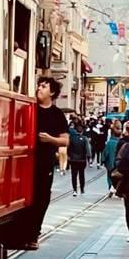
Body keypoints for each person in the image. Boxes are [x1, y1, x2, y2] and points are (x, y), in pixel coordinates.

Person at [25, 76, 69, 249]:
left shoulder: (57, 114)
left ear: (52, 92)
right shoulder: (30, 107)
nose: (39, 88)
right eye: (38, 85)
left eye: (43, 86)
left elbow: (65, 141)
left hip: (44, 162)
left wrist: (50, 139)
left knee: (42, 198)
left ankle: (34, 233)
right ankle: (24, 232)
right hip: (26, 160)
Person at [67, 117, 89, 196]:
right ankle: (82, 189)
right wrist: (88, 158)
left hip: (73, 159)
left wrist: (69, 156)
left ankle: (74, 190)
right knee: (81, 175)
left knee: (74, 175)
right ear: (82, 131)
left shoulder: (71, 138)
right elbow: (87, 149)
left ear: (75, 131)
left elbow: (68, 148)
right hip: (82, 160)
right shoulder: (84, 139)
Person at [102, 117, 123, 195]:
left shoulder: (110, 142)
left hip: (110, 164)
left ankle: (111, 186)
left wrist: (102, 160)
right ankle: (116, 188)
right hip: (119, 164)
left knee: (109, 175)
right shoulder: (122, 142)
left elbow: (105, 153)